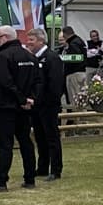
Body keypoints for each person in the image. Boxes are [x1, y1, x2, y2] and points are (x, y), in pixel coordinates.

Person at [0, 24, 39, 191]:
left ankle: (1, 181)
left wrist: (21, 99)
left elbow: (5, 82)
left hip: (6, 107)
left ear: (5, 37)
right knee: (25, 142)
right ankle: (30, 178)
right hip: (24, 107)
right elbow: (38, 81)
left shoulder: (3, 56)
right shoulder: (30, 56)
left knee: (5, 145)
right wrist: (30, 100)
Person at [28, 28, 67, 182]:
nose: (28, 43)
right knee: (39, 137)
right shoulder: (33, 58)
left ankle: (56, 169)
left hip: (48, 105)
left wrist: (49, 101)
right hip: (36, 105)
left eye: (31, 40)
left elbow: (55, 84)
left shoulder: (52, 58)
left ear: (41, 40)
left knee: (51, 137)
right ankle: (43, 167)